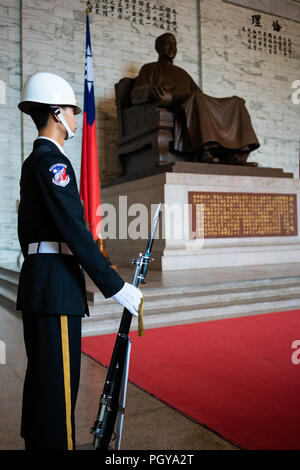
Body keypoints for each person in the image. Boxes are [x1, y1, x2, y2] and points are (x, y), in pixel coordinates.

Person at [17, 72, 142, 450]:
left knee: (42, 383)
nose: (76, 117)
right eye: (72, 109)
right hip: (56, 288)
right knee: (59, 390)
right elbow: (74, 230)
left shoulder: (32, 161)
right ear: (56, 112)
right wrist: (116, 286)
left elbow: (28, 233)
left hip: (40, 280)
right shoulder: (54, 163)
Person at [131, 33, 260, 166]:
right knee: (196, 98)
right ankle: (204, 151)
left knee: (236, 102)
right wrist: (149, 91)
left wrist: (224, 104)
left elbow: (202, 97)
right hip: (172, 103)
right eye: (168, 43)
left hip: (191, 102)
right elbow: (135, 95)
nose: (172, 47)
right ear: (158, 47)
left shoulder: (182, 73)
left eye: (175, 44)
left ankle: (235, 153)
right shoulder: (149, 69)